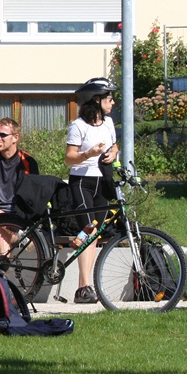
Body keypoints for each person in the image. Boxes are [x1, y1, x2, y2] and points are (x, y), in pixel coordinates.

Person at [65, 77, 120, 304]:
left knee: (94, 233)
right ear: (96, 100)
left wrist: (113, 154)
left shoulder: (108, 123)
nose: (113, 102)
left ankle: (83, 287)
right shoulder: (78, 126)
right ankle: (84, 286)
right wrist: (89, 154)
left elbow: (114, 146)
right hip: (82, 181)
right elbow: (69, 158)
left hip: (102, 180)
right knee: (87, 230)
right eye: (109, 98)